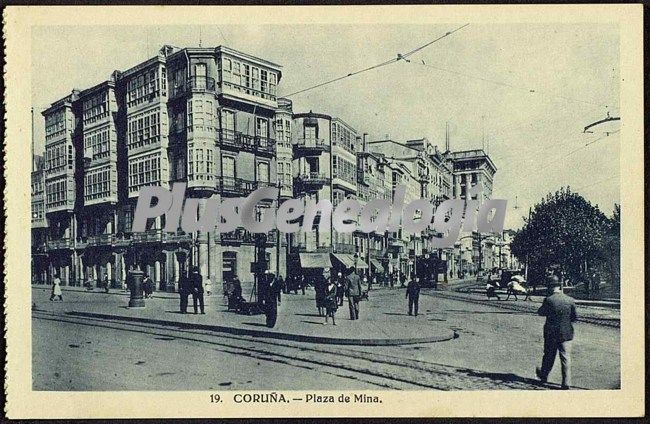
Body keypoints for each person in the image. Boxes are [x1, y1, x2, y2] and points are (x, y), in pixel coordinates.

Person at [535, 275, 577, 390]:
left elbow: (541, 312)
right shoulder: (570, 300)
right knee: (565, 357)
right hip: (566, 333)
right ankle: (566, 383)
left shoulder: (549, 300)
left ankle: (544, 377)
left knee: (549, 356)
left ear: (549, 287)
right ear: (559, 286)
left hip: (551, 334)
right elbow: (574, 317)